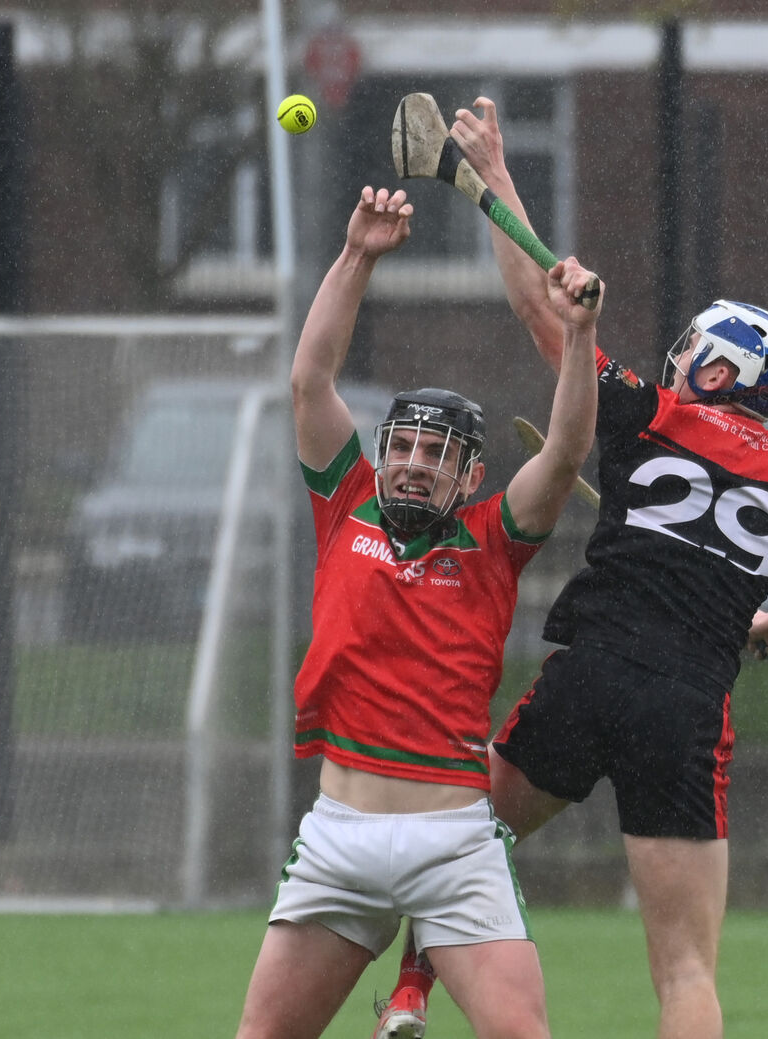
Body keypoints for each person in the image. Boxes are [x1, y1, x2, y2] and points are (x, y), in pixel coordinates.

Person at [385, 99, 768, 1039]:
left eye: (699, 346)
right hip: (689, 706)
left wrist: (493, 170)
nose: (683, 352)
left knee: (463, 846)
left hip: (592, 673)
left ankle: (410, 992)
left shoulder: (651, 411)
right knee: (687, 971)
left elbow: (548, 308)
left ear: (724, 370)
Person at [232, 184, 602, 1039]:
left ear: (471, 475)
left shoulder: (493, 537)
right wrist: (358, 256)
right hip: (340, 837)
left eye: (436, 455)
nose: (412, 465)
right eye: (402, 446)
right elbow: (309, 378)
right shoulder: (345, 506)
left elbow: (568, 449)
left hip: (453, 843)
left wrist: (579, 335)